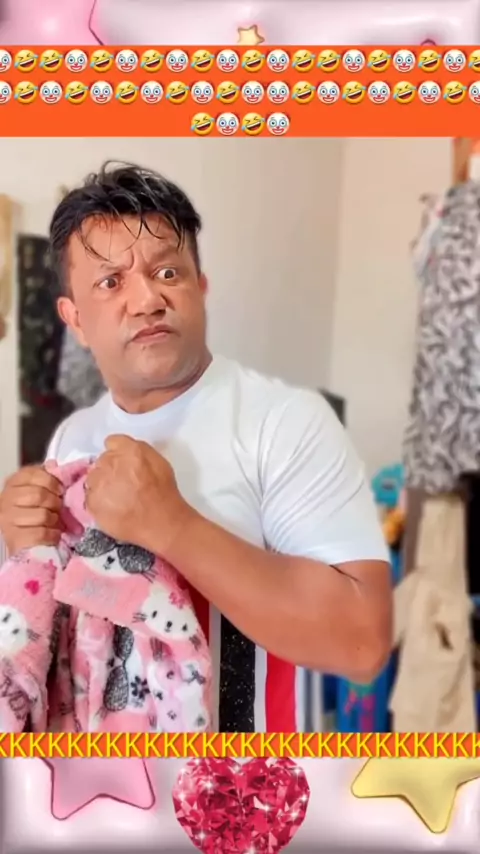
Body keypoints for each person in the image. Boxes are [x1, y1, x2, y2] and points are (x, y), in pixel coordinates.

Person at [0, 162, 392, 731]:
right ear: (75, 320)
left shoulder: (286, 423)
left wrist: (173, 526)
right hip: (98, 772)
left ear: (200, 289)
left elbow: (362, 644)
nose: (147, 299)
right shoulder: (72, 437)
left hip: (240, 777)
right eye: (111, 282)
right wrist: (25, 544)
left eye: (167, 272)